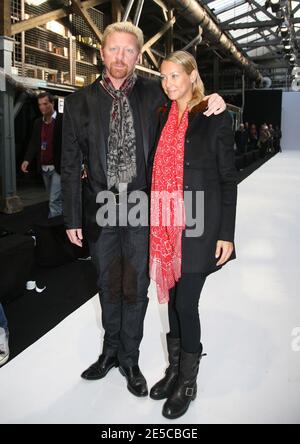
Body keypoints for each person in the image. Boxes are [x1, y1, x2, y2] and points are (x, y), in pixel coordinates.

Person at [61, 21, 226, 397]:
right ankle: (110, 352)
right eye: (114, 49)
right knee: (107, 283)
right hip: (101, 204)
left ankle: (130, 359)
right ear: (102, 52)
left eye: (129, 50)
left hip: (141, 205)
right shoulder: (78, 103)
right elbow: (70, 164)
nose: (121, 57)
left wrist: (213, 98)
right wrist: (72, 217)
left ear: (138, 56)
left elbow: (189, 97)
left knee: (135, 285)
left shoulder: (155, 95)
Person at [149, 50, 237, 419]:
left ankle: (187, 380)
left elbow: (227, 178)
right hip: (165, 225)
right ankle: (173, 370)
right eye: (164, 77)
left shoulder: (214, 115)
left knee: (186, 304)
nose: (169, 84)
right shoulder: (161, 116)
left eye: (175, 76)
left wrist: (226, 233)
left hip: (200, 226)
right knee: (171, 303)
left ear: (192, 75)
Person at [21, 92, 63, 218]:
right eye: (40, 105)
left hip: (59, 167)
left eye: (45, 104)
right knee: (55, 197)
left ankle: (54, 228)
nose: (42, 107)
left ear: (52, 103)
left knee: (53, 199)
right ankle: (63, 223)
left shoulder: (63, 120)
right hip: (44, 167)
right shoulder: (38, 122)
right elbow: (34, 143)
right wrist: (27, 160)